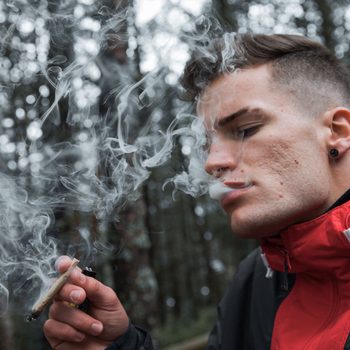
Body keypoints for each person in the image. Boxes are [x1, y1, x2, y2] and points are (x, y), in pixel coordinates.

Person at [43, 33, 350, 349]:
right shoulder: (256, 280)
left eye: (245, 130)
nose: (212, 163)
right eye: (208, 145)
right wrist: (117, 346)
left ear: (336, 132)